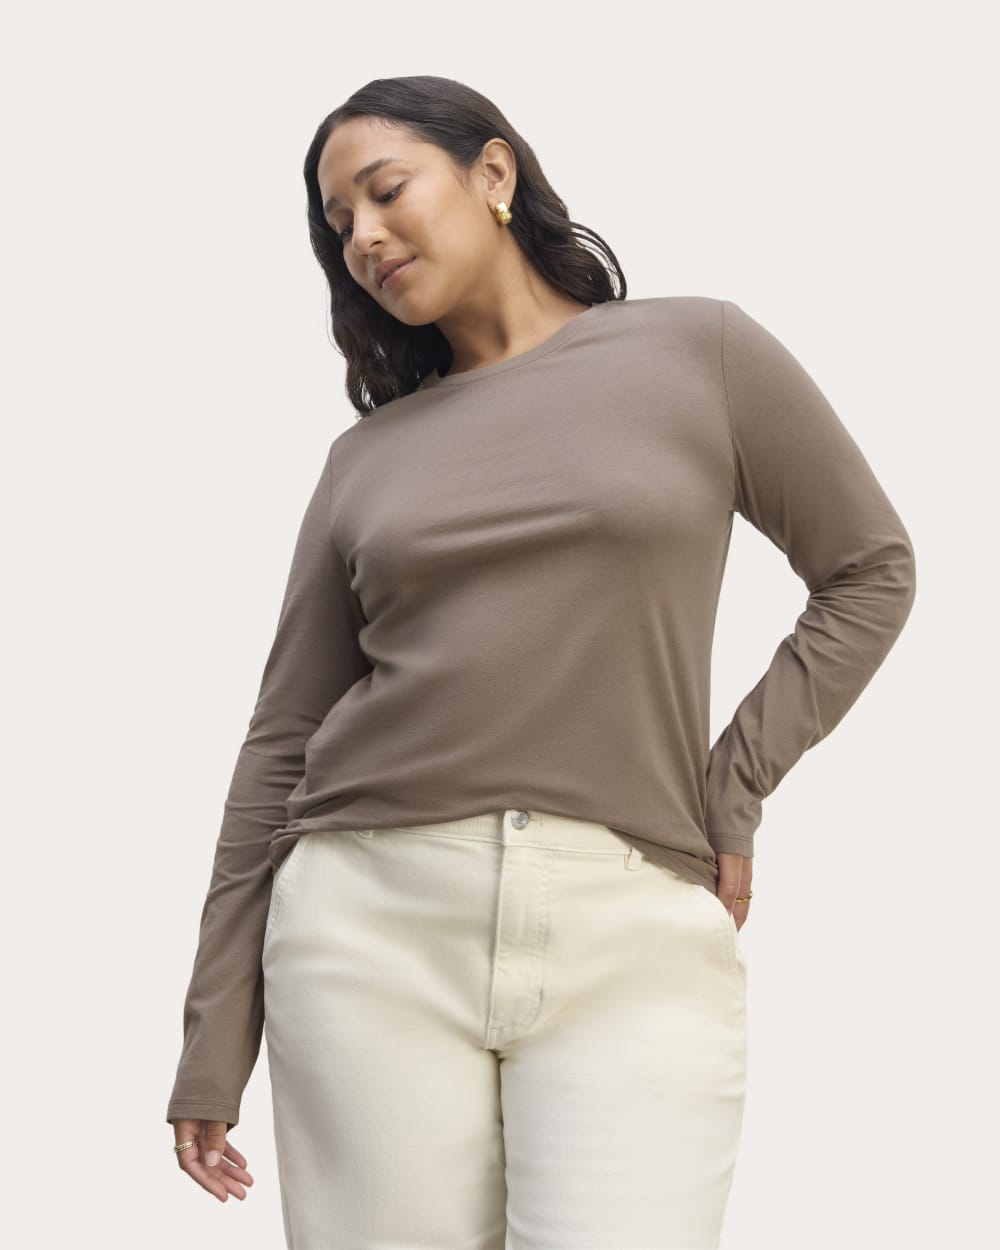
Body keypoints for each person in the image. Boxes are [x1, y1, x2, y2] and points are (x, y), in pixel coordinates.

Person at [166, 76, 917, 1250]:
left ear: (493, 173)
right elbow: (280, 741)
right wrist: (215, 1037)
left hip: (633, 918)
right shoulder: (366, 458)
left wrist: (733, 782)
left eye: (385, 191)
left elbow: (869, 568)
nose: (362, 237)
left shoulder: (699, 350)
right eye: (337, 223)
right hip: (368, 920)